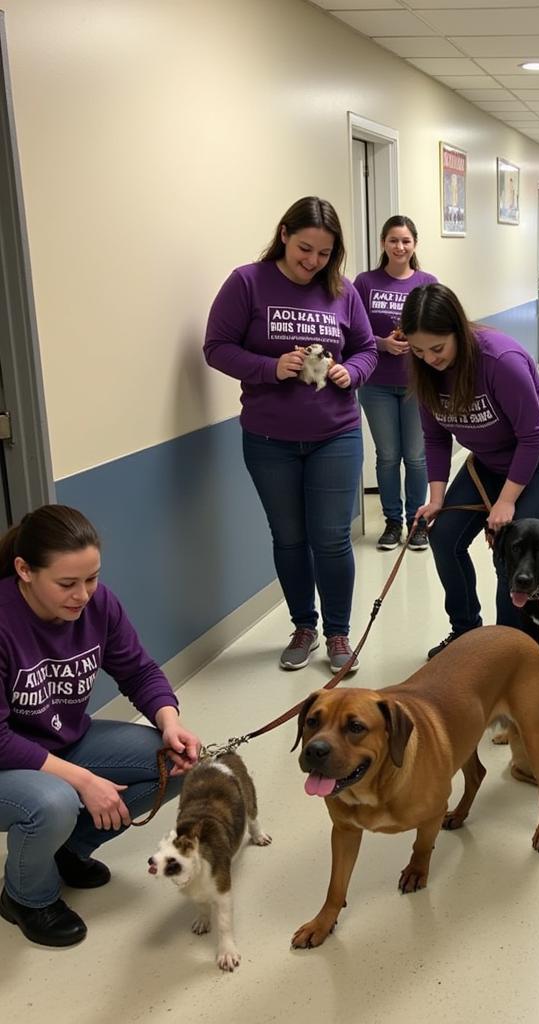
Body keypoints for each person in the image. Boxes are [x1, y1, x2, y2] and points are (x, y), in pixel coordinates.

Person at [0, 505, 200, 947]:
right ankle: (25, 896)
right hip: (6, 760)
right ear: (24, 570)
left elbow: (139, 672)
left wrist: (171, 723)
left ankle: (66, 851)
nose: (84, 595)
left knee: (175, 762)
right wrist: (83, 781)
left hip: (61, 742)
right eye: (67, 583)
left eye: (92, 578)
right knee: (52, 803)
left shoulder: (98, 603)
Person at [204, 196, 377, 674]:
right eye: (305, 249)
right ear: (284, 234)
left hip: (335, 435)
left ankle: (339, 634)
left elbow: (366, 349)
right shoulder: (247, 283)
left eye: (324, 254)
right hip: (268, 439)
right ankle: (304, 625)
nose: (312, 262)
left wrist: (353, 373)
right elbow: (216, 348)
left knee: (332, 537)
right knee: (289, 537)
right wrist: (270, 367)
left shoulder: (342, 291)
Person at [400, 283, 539, 659]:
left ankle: (505, 656)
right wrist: (436, 499)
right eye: (418, 350)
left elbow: (533, 436)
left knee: (509, 555)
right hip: (489, 463)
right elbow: (434, 438)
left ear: (458, 332)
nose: (429, 358)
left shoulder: (500, 361)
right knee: (443, 536)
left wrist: (506, 502)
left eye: (437, 348)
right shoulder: (425, 369)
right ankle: (466, 634)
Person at [354, 216, 438, 552]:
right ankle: (392, 522)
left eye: (405, 241)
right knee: (388, 456)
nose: (399, 247)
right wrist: (382, 344)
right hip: (375, 384)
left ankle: (418, 522)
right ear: (383, 243)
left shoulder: (427, 282)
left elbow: (438, 328)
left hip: (418, 384)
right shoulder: (364, 283)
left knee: (417, 457)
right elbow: (353, 332)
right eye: (393, 240)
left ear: (414, 243)